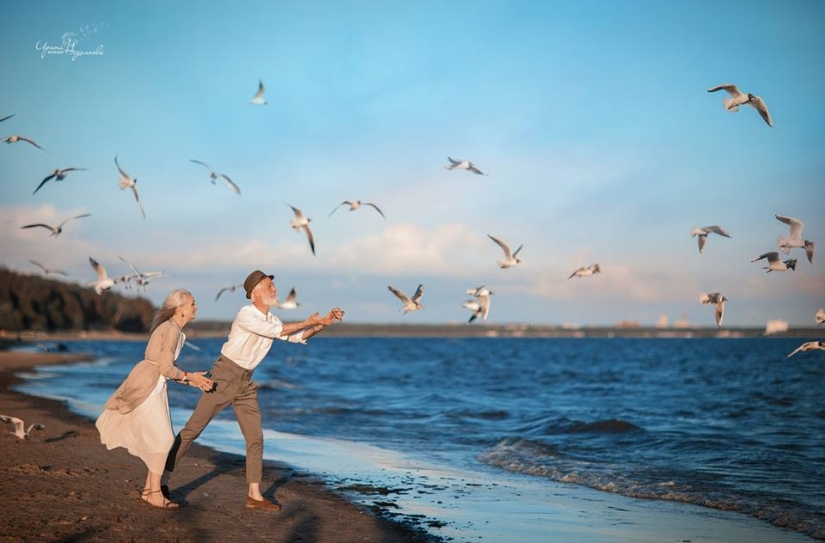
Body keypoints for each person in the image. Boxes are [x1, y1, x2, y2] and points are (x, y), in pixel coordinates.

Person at [164, 270, 344, 511]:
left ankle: (254, 495)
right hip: (224, 377)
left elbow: (297, 336)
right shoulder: (245, 314)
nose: (274, 290)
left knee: (255, 437)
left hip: (246, 382)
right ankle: (161, 480)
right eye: (269, 286)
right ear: (255, 292)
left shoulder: (272, 319)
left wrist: (321, 323)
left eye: (273, 286)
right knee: (193, 430)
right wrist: (308, 321)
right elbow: (278, 332)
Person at [96, 289, 214, 509]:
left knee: (160, 439)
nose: (196, 307)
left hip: (153, 383)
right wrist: (191, 377)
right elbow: (167, 369)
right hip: (148, 385)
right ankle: (155, 493)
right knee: (164, 439)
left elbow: (167, 368)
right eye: (192, 304)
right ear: (180, 309)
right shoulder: (171, 330)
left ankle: (150, 491)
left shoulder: (173, 329)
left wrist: (194, 382)